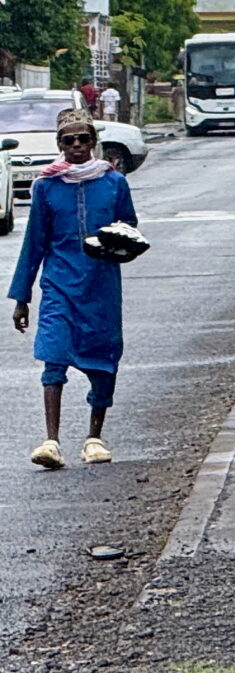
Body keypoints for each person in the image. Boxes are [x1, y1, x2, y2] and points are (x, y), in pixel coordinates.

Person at [8, 107, 137, 468]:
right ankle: (51, 440)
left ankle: (94, 437)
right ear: (59, 145)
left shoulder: (113, 182)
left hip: (101, 286)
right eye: (69, 140)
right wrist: (22, 297)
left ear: (94, 142)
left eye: (84, 139)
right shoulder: (47, 186)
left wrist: (115, 245)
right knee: (54, 355)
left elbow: (130, 229)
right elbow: (34, 242)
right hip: (59, 284)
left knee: (104, 359)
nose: (77, 146)